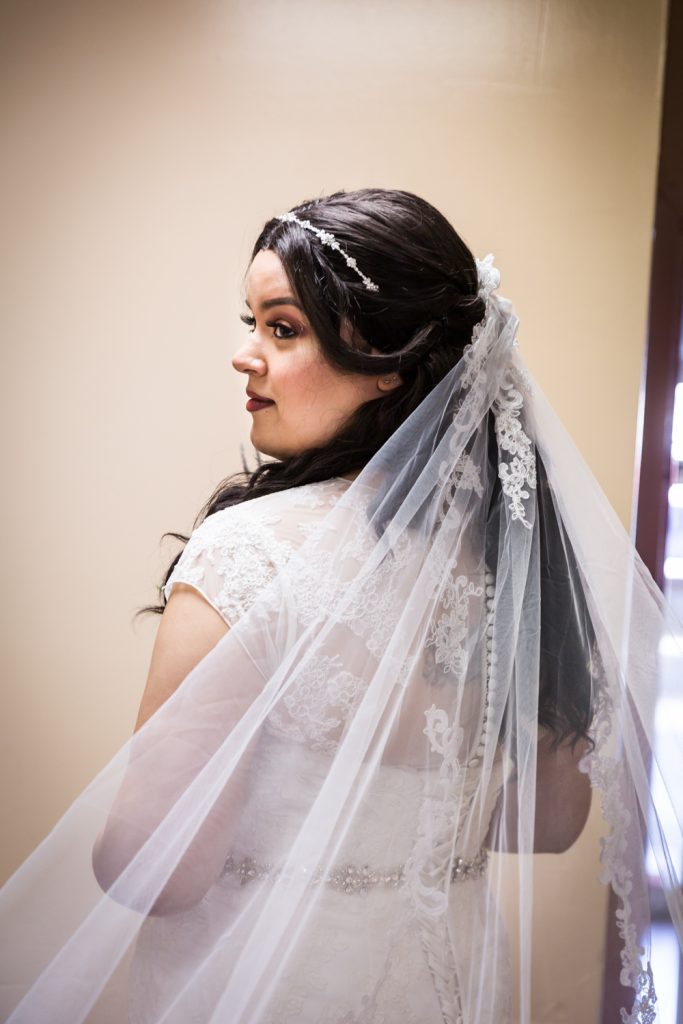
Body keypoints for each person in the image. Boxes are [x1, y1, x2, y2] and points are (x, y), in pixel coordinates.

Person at [1, 188, 681, 1024]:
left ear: (388, 361)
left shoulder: (250, 552)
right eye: (252, 323)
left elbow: (158, 872)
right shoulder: (523, 559)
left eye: (282, 328)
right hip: (448, 989)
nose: (245, 355)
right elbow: (548, 823)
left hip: (269, 992)